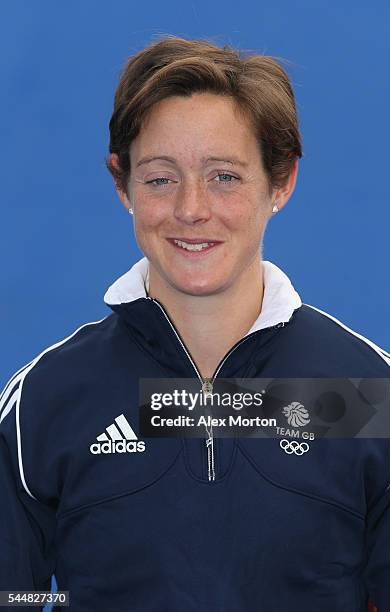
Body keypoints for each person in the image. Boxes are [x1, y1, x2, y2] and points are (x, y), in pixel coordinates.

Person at [0, 35, 388, 612]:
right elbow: (15, 593)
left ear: (280, 182)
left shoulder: (368, 393)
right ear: (121, 182)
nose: (191, 209)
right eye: (160, 177)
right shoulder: (46, 401)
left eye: (224, 176)